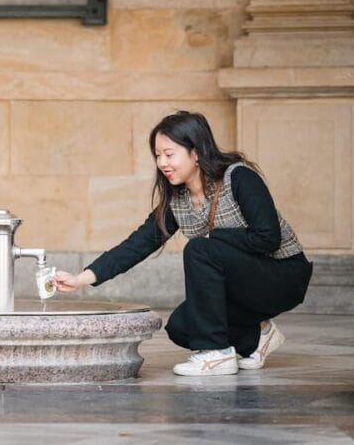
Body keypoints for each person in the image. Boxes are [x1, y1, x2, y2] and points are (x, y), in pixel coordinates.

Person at [53, 110, 313, 377]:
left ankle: (217, 354)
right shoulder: (177, 200)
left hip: (283, 276)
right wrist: (81, 279)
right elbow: (135, 246)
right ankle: (258, 336)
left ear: (196, 152)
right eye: (157, 155)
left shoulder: (239, 178)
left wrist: (214, 238)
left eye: (169, 154)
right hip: (244, 284)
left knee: (200, 249)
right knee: (182, 326)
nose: (162, 162)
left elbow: (268, 237)